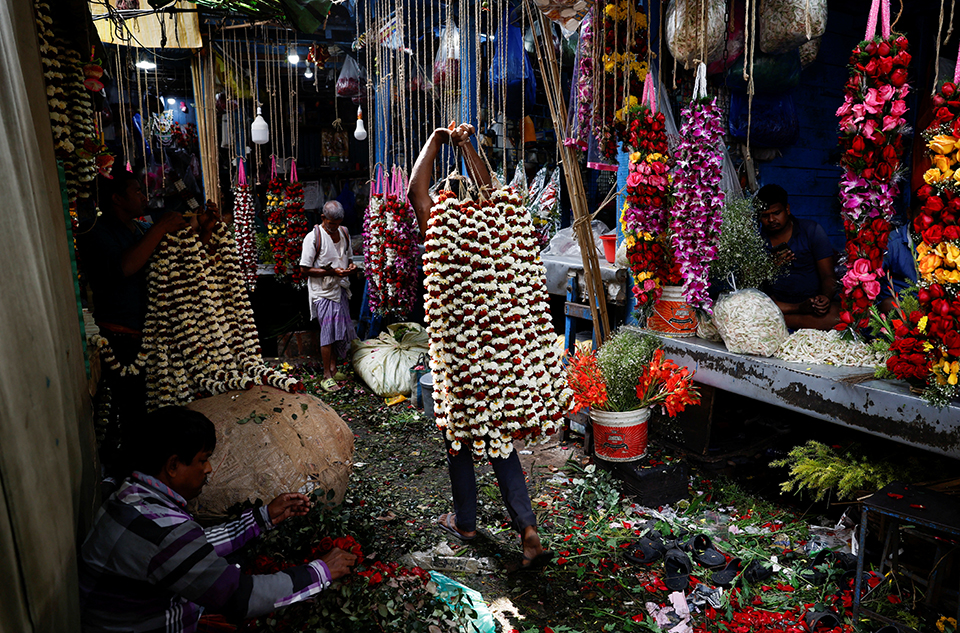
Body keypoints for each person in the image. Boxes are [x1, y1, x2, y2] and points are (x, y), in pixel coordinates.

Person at [408, 122, 552, 573]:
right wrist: (467, 146)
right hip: (498, 357)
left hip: (458, 361)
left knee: (458, 439)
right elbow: (489, 185)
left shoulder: (439, 226)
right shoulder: (495, 225)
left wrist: (436, 140)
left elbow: (415, 189)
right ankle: (526, 527)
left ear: (446, 199)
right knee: (499, 440)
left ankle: (466, 523)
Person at [78, 406, 357, 632]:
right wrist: (321, 572)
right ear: (173, 465)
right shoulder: (165, 532)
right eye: (203, 460)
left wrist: (262, 518)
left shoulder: (130, 496)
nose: (209, 468)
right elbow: (240, 598)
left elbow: (191, 546)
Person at [755, 184, 840, 330]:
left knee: (837, 316)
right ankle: (793, 318)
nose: (771, 219)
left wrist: (825, 297)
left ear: (787, 209)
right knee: (753, 310)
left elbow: (828, 275)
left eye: (776, 213)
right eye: (765, 215)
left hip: (812, 304)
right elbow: (749, 286)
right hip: (778, 306)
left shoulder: (811, 230)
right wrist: (769, 267)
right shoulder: (756, 240)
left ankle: (780, 323)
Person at [299, 200, 358, 392]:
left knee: (338, 331)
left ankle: (334, 368)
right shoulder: (313, 237)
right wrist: (332, 272)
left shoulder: (344, 233)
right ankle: (326, 375)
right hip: (322, 292)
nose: (335, 227)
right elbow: (304, 269)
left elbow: (348, 257)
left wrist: (351, 267)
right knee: (328, 333)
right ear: (323, 218)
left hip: (339, 289)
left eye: (338, 223)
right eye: (331, 223)